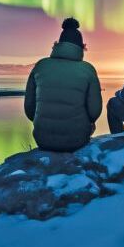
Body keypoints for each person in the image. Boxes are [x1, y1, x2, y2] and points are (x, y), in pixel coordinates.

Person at [24, 18, 103, 152]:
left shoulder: (41, 66)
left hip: (43, 139)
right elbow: (94, 111)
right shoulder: (88, 70)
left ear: (58, 44)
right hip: (76, 140)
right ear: (81, 47)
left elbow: (29, 109)